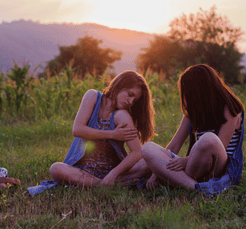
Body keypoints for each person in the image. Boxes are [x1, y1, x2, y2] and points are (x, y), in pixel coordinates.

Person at [27, 70, 155, 195]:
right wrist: (112, 134)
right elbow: (77, 130)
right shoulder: (92, 96)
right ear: (119, 85)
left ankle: (108, 181)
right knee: (56, 168)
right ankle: (109, 184)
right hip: (83, 171)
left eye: (135, 100)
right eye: (130, 94)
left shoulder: (122, 115)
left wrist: (113, 174)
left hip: (113, 171)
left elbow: (137, 152)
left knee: (149, 161)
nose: (131, 102)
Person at [141, 64, 245, 196]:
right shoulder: (194, 111)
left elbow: (221, 146)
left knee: (209, 139)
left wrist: (185, 161)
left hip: (221, 168)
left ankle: (177, 180)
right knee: (148, 148)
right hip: (195, 166)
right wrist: (156, 174)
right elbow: (174, 145)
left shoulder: (230, 109)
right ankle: (196, 188)